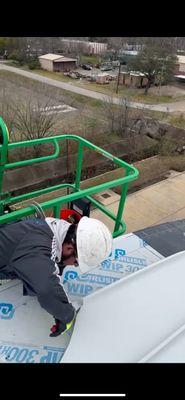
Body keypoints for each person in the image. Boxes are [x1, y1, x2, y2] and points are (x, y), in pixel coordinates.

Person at [0, 213, 112, 337]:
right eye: (76, 262)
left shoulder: (54, 229)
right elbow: (46, 288)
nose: (74, 265)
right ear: (69, 249)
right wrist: (67, 315)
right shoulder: (38, 246)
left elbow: (52, 262)